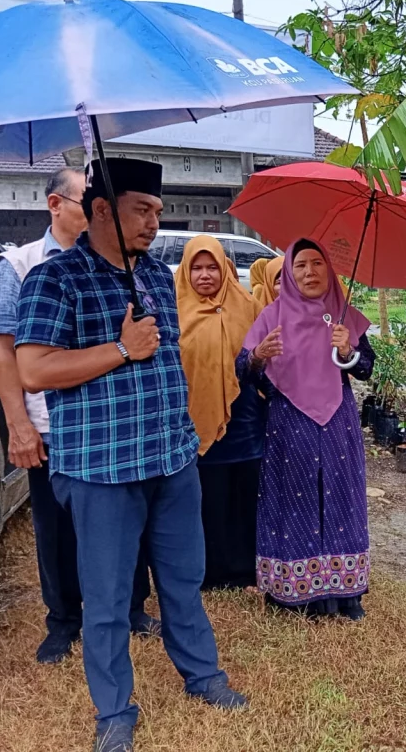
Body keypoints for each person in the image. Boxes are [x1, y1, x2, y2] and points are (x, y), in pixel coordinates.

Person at [15, 159, 246, 752]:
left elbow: (168, 360)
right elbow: (33, 369)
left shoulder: (155, 276)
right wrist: (120, 348)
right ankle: (114, 709)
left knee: (183, 580)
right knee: (108, 597)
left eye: (157, 210)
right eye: (142, 209)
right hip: (102, 469)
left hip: (172, 459)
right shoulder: (55, 279)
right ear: (101, 210)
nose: (153, 221)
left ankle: (202, 675)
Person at [0, 168, 158, 665]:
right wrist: (19, 425)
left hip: (112, 423)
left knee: (128, 518)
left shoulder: (120, 263)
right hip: (50, 423)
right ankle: (63, 619)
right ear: (55, 204)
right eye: (88, 199)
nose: (98, 207)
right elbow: (3, 350)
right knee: (57, 528)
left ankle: (132, 606)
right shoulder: (20, 266)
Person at [239, 240, 374, 620]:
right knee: (294, 500)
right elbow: (244, 372)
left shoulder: (343, 315)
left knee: (341, 498)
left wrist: (348, 351)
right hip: (289, 422)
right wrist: (258, 356)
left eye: (317, 263)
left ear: (329, 269)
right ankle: (295, 593)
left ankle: (345, 595)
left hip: (337, 422)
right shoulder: (272, 317)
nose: (310, 272)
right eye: (300, 265)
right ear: (288, 272)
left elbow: (366, 368)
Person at [174, 235, 264, 590]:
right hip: (195, 419)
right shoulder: (175, 309)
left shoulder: (247, 305)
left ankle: (243, 569)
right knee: (207, 498)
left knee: (244, 495)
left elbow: (264, 364)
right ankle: (209, 572)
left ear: (226, 269)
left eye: (212, 267)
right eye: (196, 268)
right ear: (186, 271)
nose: (205, 275)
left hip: (243, 420)